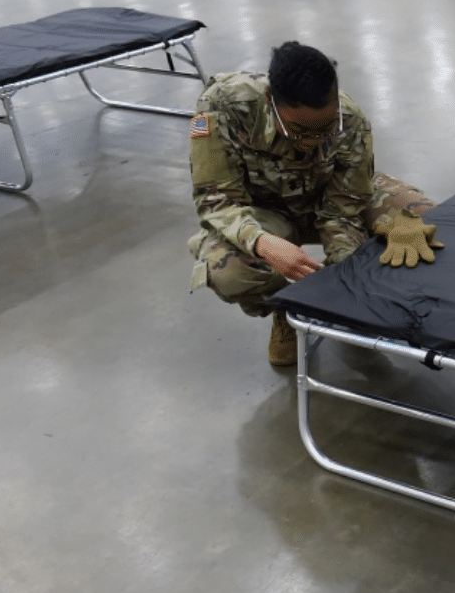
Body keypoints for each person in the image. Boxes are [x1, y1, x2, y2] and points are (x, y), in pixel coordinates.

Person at [188, 41, 441, 367]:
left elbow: (343, 208)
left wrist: (347, 276)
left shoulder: (350, 120)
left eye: (325, 130)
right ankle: (287, 308)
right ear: (270, 102)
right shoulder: (223, 107)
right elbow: (216, 201)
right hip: (265, 213)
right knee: (228, 272)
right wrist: (263, 244)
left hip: (331, 197)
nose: (313, 143)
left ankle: (365, 293)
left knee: (430, 221)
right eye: (299, 132)